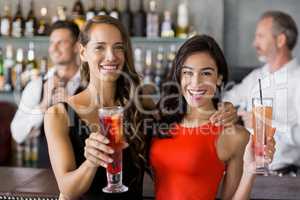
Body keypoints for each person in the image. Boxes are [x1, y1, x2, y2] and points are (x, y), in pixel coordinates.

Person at [44, 16, 239, 200]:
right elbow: (67, 190)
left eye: (118, 47)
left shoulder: (141, 106)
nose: (111, 56)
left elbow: (184, 124)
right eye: (100, 48)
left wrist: (223, 108)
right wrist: (92, 161)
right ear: (83, 52)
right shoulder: (58, 115)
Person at [149, 35, 275, 200]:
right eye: (188, 73)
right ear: (179, 76)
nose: (196, 83)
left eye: (206, 73)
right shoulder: (161, 119)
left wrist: (251, 172)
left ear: (219, 78)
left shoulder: (235, 136)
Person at [224, 10, 300, 174]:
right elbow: (228, 99)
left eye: (260, 36)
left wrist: (265, 124)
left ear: (280, 40)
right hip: (249, 174)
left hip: (286, 180)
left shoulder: (298, 80)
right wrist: (231, 111)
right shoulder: (256, 77)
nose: (254, 43)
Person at [10, 20, 81, 168]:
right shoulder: (36, 86)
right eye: (52, 43)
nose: (54, 48)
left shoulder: (91, 84)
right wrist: (43, 105)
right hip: (46, 175)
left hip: (87, 177)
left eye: (61, 42)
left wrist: (72, 103)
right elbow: (17, 134)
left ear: (76, 47)